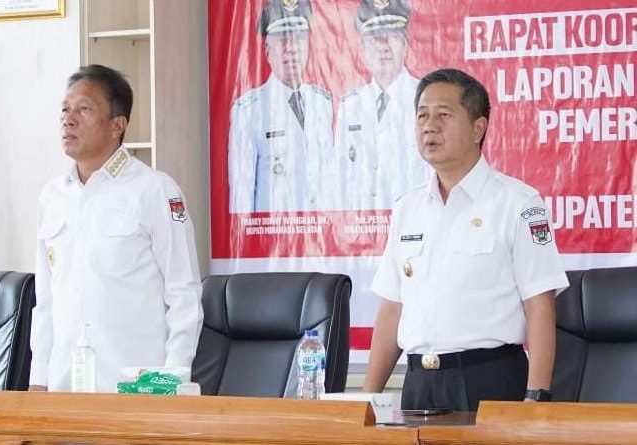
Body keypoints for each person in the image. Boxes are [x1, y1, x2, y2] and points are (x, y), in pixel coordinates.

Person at [364, 68, 568, 410]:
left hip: (489, 380)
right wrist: (366, 398)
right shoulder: (407, 208)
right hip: (418, 385)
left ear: (478, 128)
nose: (429, 126)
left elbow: (540, 305)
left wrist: (536, 398)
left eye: (443, 115)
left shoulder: (518, 203)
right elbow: (392, 308)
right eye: (422, 115)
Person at [29, 64, 203, 392]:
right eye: (65, 109)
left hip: (135, 389)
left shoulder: (155, 190)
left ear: (117, 125)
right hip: (64, 389)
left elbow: (184, 294)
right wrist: (38, 379)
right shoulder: (52, 196)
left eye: (84, 109)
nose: (68, 119)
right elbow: (46, 301)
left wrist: (172, 381)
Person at [228, 0, 335, 213]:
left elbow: (331, 183)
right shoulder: (248, 111)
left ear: (308, 45)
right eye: (282, 39)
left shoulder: (323, 102)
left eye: (299, 38)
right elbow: (242, 198)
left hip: (321, 230)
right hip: (274, 232)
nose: (291, 48)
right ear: (268, 51)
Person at [335, 0, 430, 210]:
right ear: (362, 48)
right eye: (373, 38)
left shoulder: (426, 99)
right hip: (360, 224)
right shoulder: (350, 106)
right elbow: (340, 178)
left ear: (405, 44)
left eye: (392, 36)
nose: (383, 46)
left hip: (412, 220)